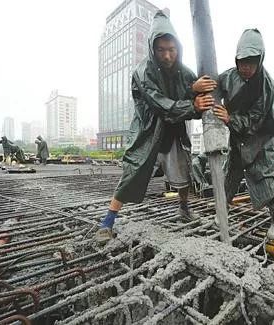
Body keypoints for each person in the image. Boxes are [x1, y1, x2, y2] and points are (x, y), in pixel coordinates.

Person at [95, 11, 216, 242]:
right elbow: (161, 105)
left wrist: (201, 99)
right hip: (148, 133)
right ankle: (107, 221)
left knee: (182, 174)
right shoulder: (143, 72)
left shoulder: (186, 73)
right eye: (161, 50)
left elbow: (200, 104)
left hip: (174, 133)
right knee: (131, 174)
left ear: (178, 47)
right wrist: (193, 99)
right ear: (153, 48)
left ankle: (183, 208)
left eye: (172, 49)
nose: (168, 55)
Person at [213, 29, 274, 241]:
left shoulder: (267, 85)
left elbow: (256, 119)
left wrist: (229, 119)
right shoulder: (228, 78)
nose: (246, 68)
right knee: (231, 174)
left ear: (260, 60)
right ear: (237, 60)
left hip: (263, 135)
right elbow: (212, 89)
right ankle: (222, 212)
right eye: (243, 62)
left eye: (252, 63)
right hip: (238, 133)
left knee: (266, 178)